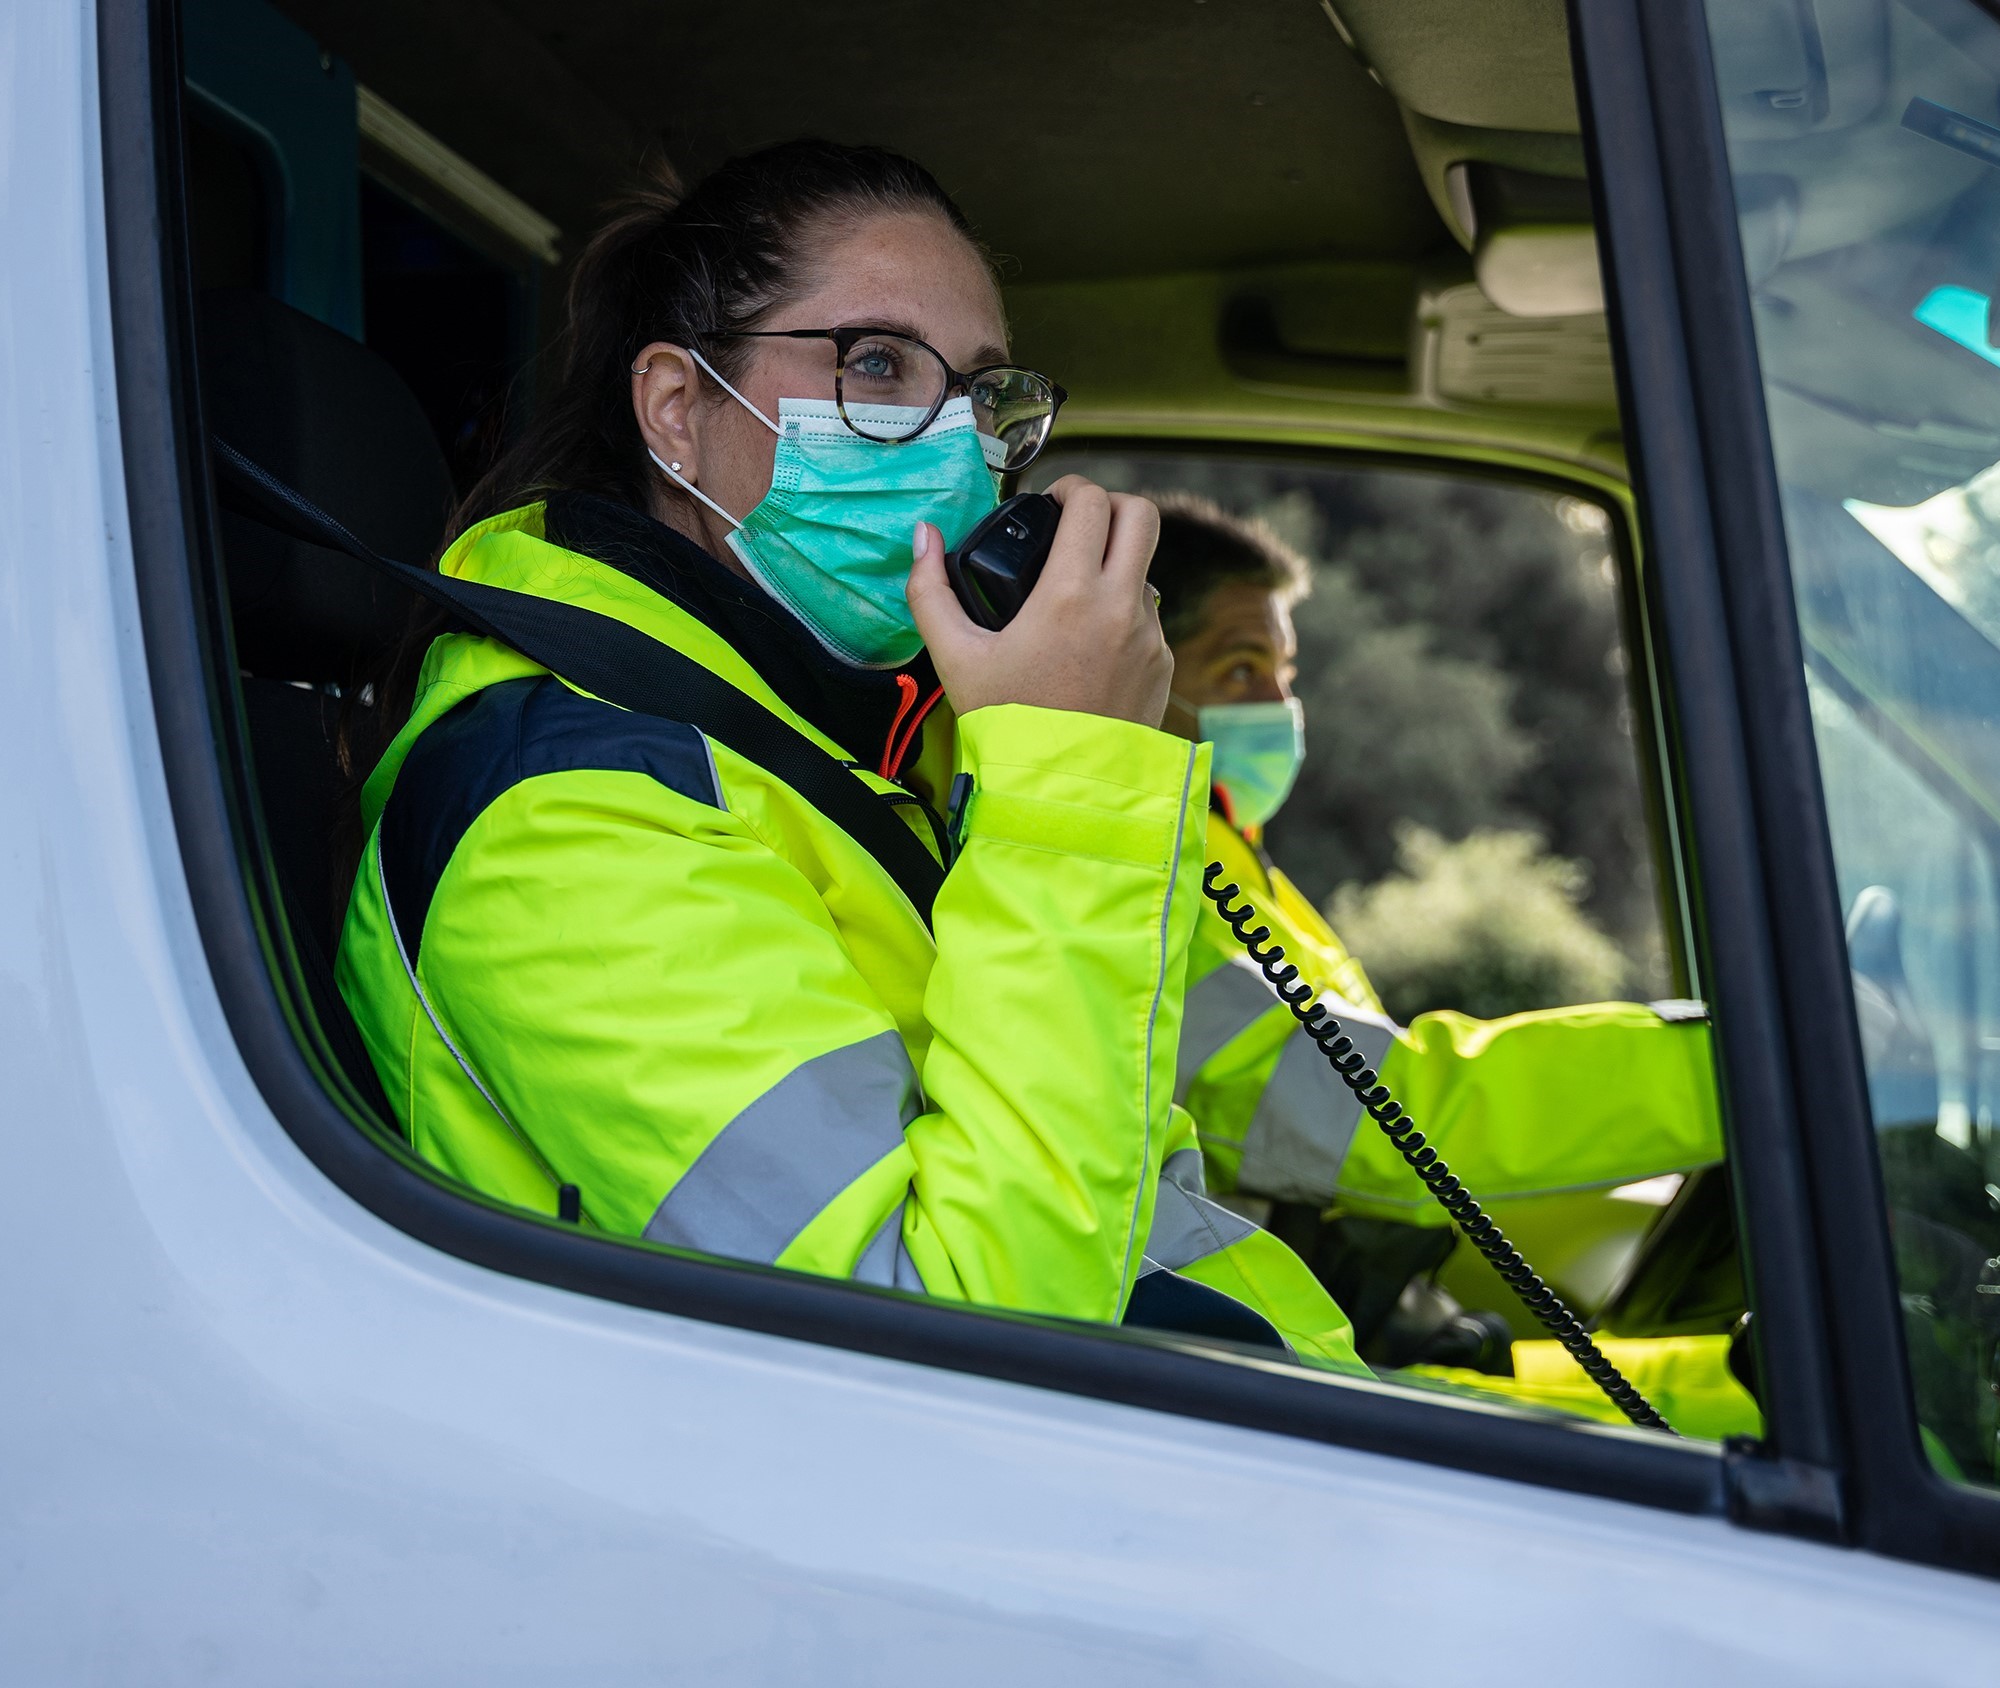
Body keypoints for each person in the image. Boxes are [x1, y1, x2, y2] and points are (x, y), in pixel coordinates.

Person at [333, 141, 1364, 1371]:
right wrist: (1069, 774)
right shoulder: (565, 811)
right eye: (877, 363)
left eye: (983, 392)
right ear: (678, 408)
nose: (959, 447)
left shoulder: (850, 750)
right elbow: (958, 1342)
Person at [1145, 495, 1758, 1434]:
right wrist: (1749, 1066)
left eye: (1284, 672)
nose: (1279, 708)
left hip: (1347, 1319)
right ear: (1132, 666)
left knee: (1763, 1388)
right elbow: (1394, 1122)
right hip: (1264, 1370)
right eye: (1239, 669)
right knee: (1781, 1414)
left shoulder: (1228, 859)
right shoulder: (1142, 883)